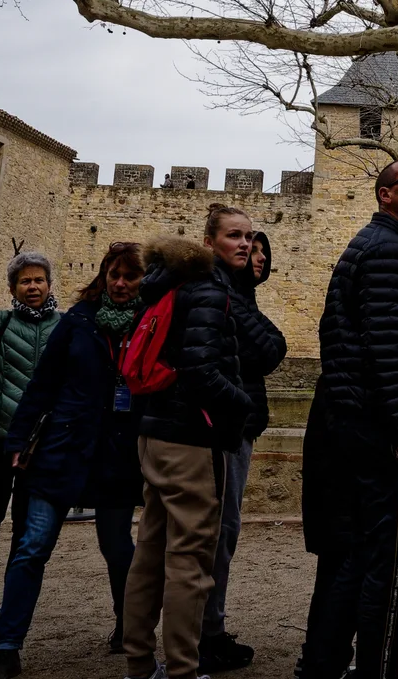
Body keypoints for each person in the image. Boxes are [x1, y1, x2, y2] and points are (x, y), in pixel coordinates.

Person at [0, 242, 148, 679]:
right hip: (60, 451)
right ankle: (7, 648)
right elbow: (43, 385)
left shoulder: (150, 324)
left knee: (117, 547)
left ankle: (128, 628)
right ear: (103, 276)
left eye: (130, 276)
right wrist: (17, 439)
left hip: (116, 456)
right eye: (114, 274)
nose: (121, 283)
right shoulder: (77, 323)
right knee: (32, 547)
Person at [298, 159, 398, 679]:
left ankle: (320, 666)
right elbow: (386, 349)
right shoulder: (386, 253)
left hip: (346, 422)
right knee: (387, 562)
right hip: (377, 432)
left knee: (345, 557)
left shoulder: (373, 247)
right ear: (385, 195)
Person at [120, 206, 255, 679]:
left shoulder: (164, 283)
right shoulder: (206, 289)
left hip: (155, 433)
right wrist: (242, 405)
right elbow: (201, 372)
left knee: (150, 552)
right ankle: (182, 668)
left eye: (249, 237)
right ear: (209, 241)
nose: (245, 245)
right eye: (235, 236)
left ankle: (139, 663)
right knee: (190, 561)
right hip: (191, 440)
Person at [200, 229, 286, 673]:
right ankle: (205, 635)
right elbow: (270, 349)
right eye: (248, 247)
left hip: (235, 428)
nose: (257, 256)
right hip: (223, 430)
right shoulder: (223, 296)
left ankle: (207, 628)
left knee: (221, 532)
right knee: (218, 532)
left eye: (262, 250)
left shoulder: (240, 299)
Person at [0, 253, 62, 622]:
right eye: (25, 281)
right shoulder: (0, 323)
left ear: (49, 284)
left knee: (26, 521)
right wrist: (0, 406)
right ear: (13, 288)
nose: (32, 287)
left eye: (38, 280)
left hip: (41, 443)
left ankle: (16, 592)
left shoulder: (63, 328)